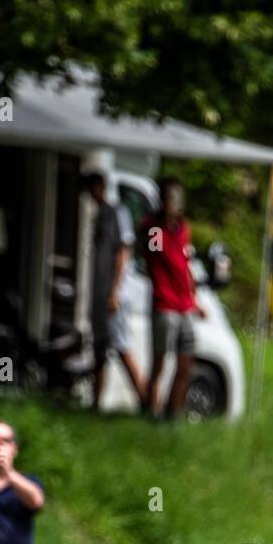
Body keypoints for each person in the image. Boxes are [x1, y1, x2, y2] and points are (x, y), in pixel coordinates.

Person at [139, 177, 206, 421]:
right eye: (171, 197)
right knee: (159, 363)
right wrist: (162, 222)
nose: (176, 203)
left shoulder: (183, 228)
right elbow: (155, 257)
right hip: (164, 304)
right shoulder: (154, 228)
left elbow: (184, 262)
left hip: (185, 305)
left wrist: (194, 298)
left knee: (186, 364)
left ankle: (172, 413)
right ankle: (150, 410)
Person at [82, 172, 145, 410]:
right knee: (99, 349)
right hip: (101, 293)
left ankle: (146, 401)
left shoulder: (118, 213)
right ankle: (96, 403)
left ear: (101, 187)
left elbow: (123, 252)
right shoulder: (100, 215)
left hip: (115, 294)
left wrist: (114, 292)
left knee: (121, 347)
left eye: (92, 188)